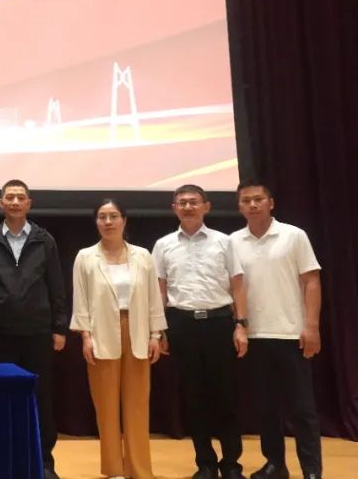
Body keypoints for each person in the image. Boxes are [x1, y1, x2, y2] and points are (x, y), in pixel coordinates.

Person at [152, 184, 247, 479]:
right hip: (182, 324)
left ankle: (231, 464)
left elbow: (238, 284)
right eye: (182, 202)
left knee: (225, 396)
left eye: (194, 202)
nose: (188, 207)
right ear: (174, 209)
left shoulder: (224, 241)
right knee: (193, 398)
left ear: (206, 207)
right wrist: (159, 330)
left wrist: (241, 324)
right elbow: (160, 290)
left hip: (219, 323)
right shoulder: (163, 245)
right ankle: (205, 463)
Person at [0, 179, 68, 479]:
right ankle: (2, 461)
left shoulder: (44, 239)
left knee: (40, 396)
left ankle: (44, 462)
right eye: (10, 197)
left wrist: (59, 327)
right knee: (0, 395)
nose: (15, 202)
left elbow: (56, 285)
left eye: (20, 197)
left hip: (38, 332)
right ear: (1, 203)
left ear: (29, 203)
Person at [230, 181, 322, 479]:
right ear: (239, 206)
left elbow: (311, 281)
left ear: (271, 203)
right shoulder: (232, 242)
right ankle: (275, 465)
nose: (252, 204)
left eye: (258, 199)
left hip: (291, 334)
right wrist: (239, 326)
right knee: (266, 409)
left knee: (302, 410)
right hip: (254, 336)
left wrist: (312, 326)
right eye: (246, 200)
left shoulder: (294, 235)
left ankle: (311, 470)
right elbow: (233, 288)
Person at [70, 199, 165, 479]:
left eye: (113, 216)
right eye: (102, 217)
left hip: (137, 330)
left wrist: (155, 334)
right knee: (106, 406)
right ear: (96, 222)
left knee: (137, 405)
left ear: (124, 220)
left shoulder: (142, 256)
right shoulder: (85, 257)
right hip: (101, 332)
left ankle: (139, 469)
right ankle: (114, 469)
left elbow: (153, 297)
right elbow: (81, 299)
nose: (108, 222)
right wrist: (85, 336)